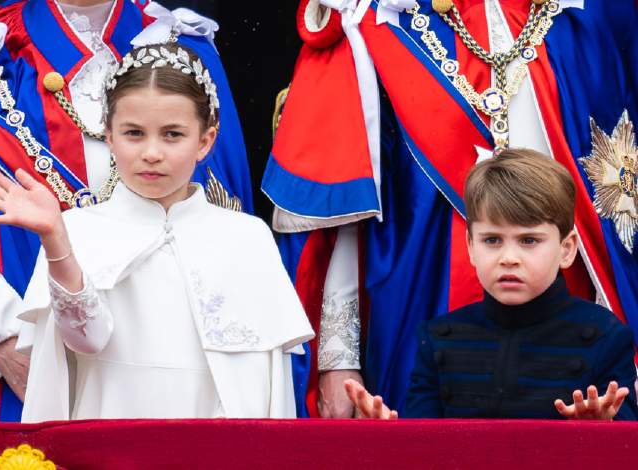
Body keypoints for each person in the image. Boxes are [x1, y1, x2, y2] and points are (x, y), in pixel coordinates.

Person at [262, 0, 638, 418]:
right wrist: (338, 358)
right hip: (418, 299)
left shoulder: (587, 14)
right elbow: (346, 204)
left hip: (572, 316)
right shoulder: (379, 17)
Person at [0, 43, 314, 421]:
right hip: (111, 445)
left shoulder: (248, 238)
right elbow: (85, 338)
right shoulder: (79, 230)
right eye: (134, 133)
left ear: (206, 141)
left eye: (172, 135)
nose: (152, 152)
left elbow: (268, 387)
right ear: (110, 136)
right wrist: (56, 239)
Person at [344, 149, 638, 420]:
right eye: (492, 240)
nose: (509, 258)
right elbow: (422, 445)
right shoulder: (438, 338)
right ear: (472, 247)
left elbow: (628, 446)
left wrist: (604, 431)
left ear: (566, 249)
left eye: (529, 240)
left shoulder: (607, 337)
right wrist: (389, 439)